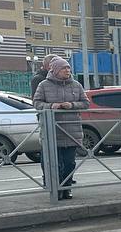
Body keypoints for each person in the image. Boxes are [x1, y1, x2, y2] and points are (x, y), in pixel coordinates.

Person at [32, 56, 88, 199]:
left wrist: (72, 105)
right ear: (56, 70)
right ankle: (56, 189)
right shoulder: (44, 85)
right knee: (56, 164)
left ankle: (67, 187)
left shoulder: (76, 85)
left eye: (68, 68)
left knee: (70, 163)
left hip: (71, 130)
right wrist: (51, 106)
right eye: (64, 68)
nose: (67, 70)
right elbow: (37, 103)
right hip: (53, 130)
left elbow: (85, 103)